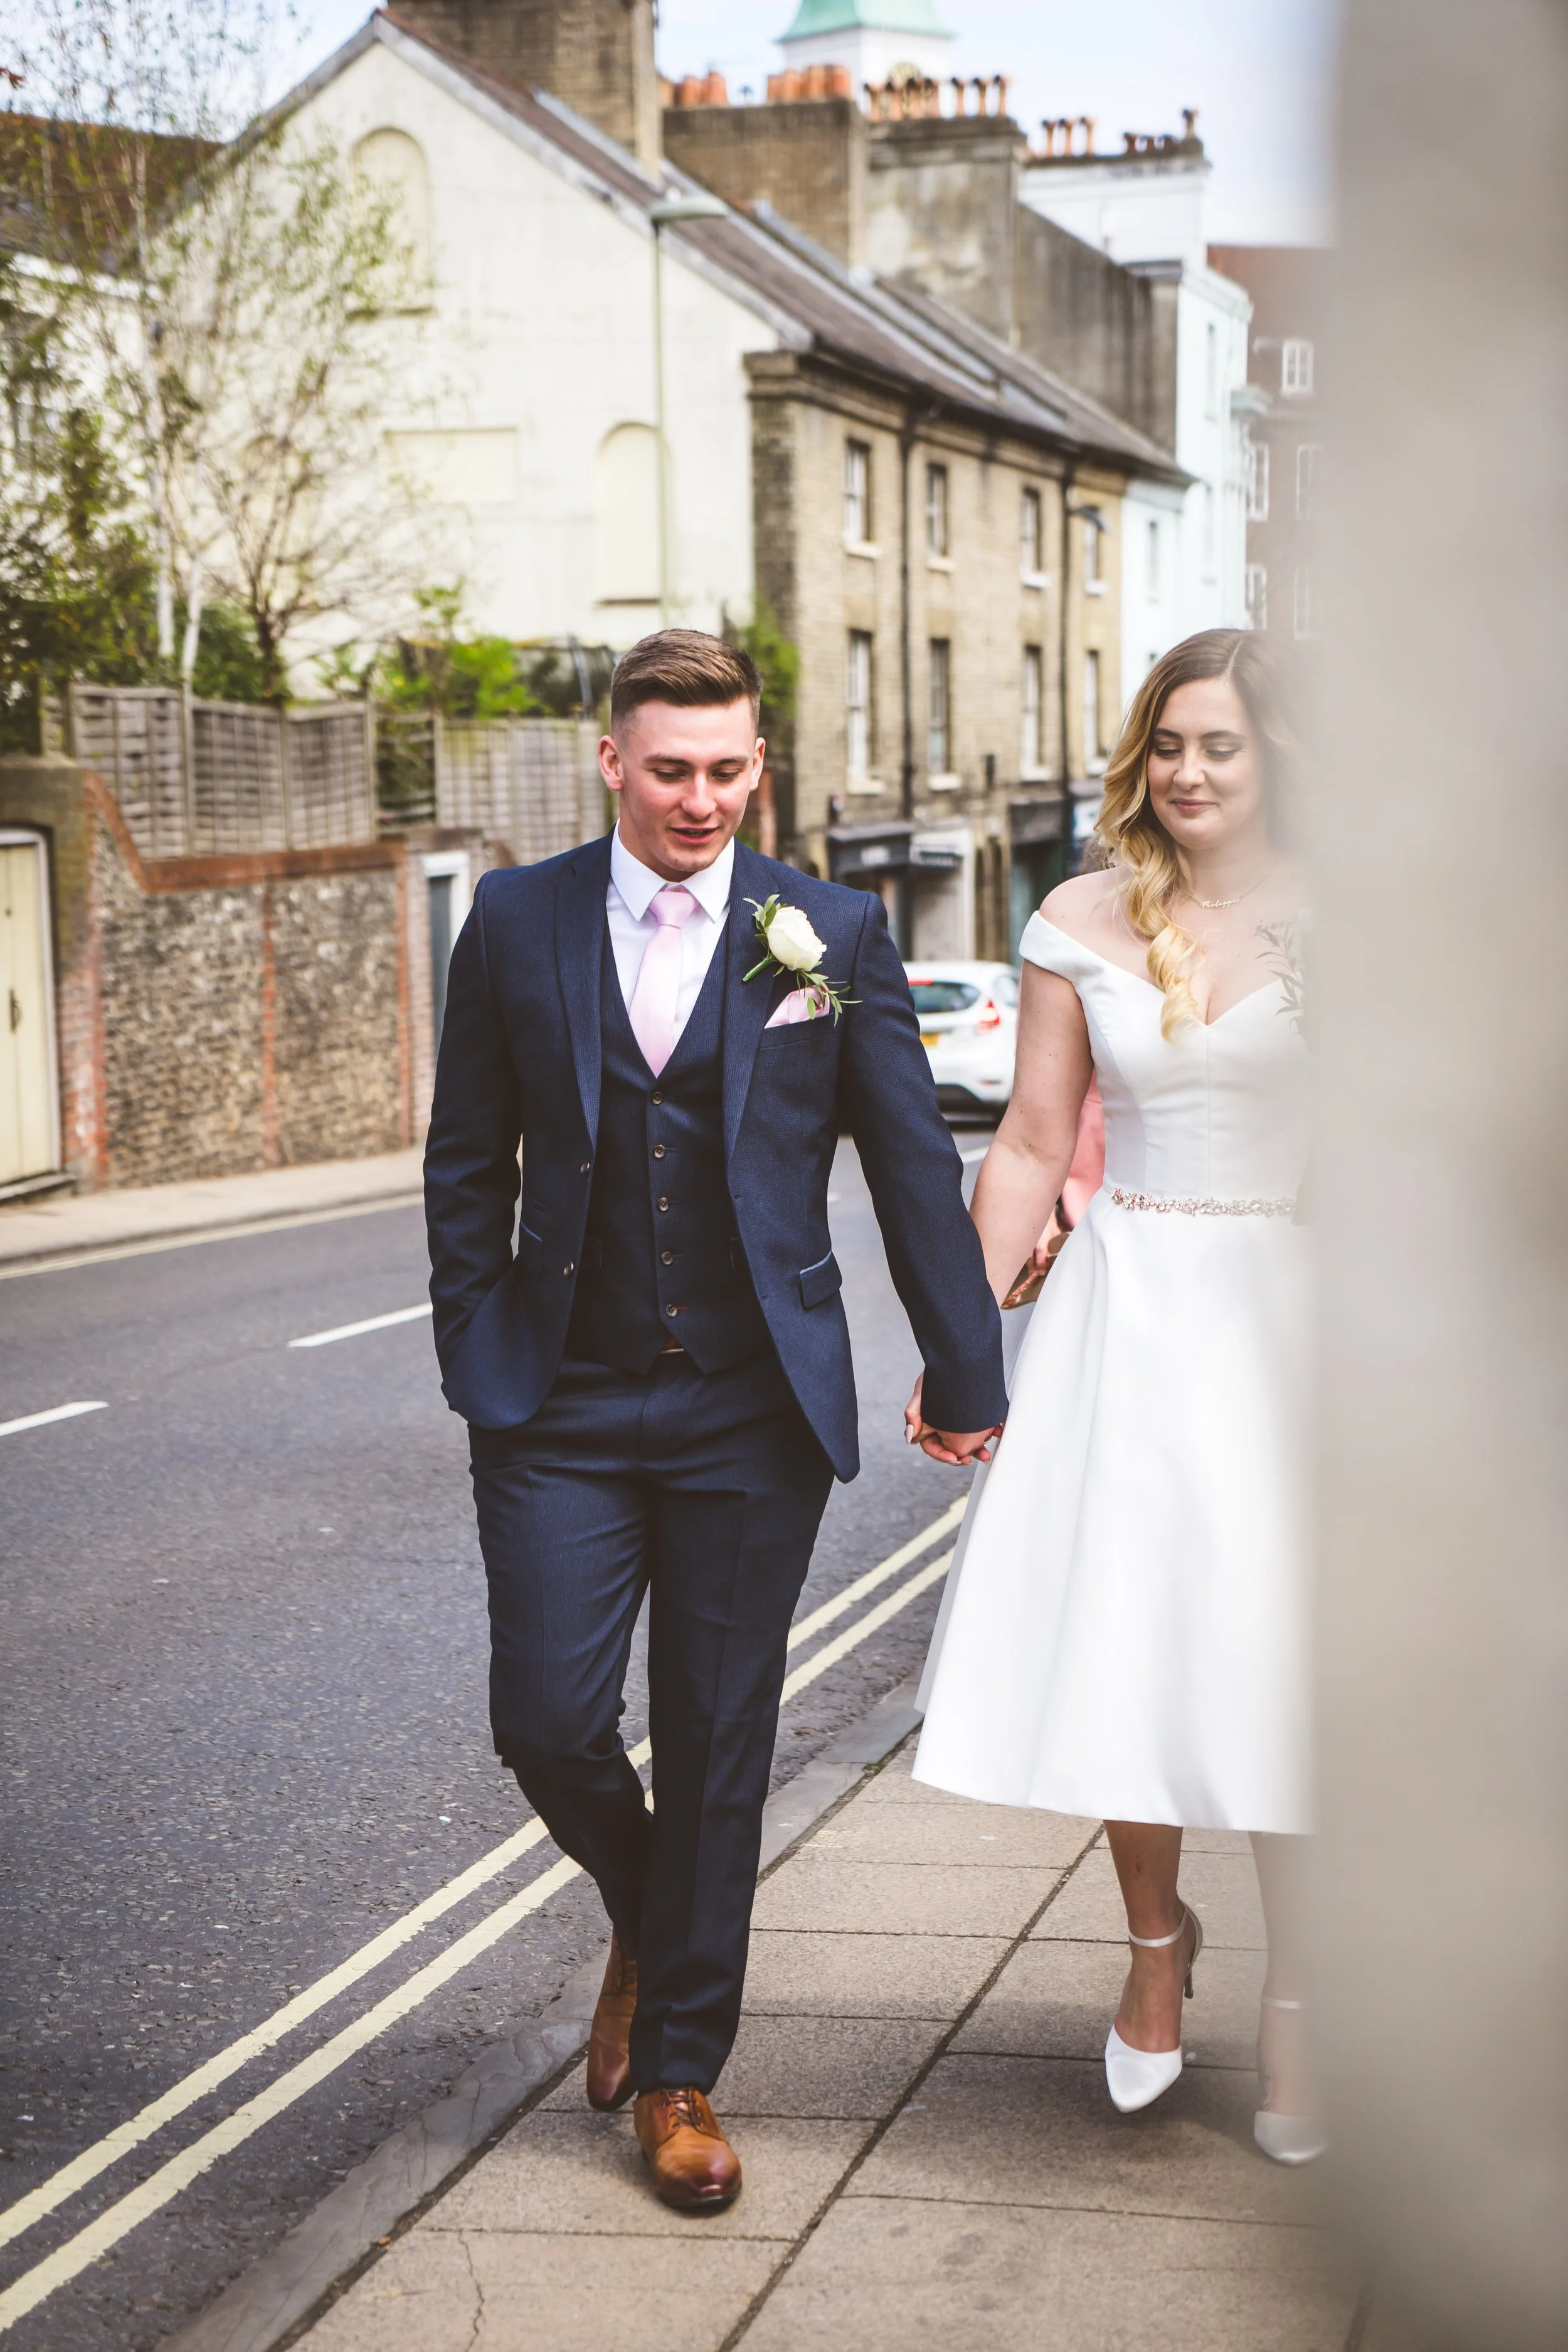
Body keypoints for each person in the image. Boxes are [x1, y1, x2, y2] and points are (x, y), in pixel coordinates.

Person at [424, 630, 1006, 2213]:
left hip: (750, 1408)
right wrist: (473, 1342)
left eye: (726, 769)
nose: (698, 798)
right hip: (560, 1394)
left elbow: (903, 1165)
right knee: (545, 1718)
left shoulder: (825, 930)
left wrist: (968, 1372)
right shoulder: (516, 919)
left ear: (761, 766)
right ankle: (647, 1896)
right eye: (668, 767)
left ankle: (680, 2073)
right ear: (610, 761)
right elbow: (466, 1159)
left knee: (718, 1739)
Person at [909, 628, 1321, 2164]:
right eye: (1167, 743)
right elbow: (1028, 1138)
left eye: (1219, 743)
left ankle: (1302, 1997)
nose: (1189, 771)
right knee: (1121, 1642)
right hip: (1128, 1310)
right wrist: (961, 1345)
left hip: (1300, 1313)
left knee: (1286, 1659)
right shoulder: (1081, 915)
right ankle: (1157, 1946)